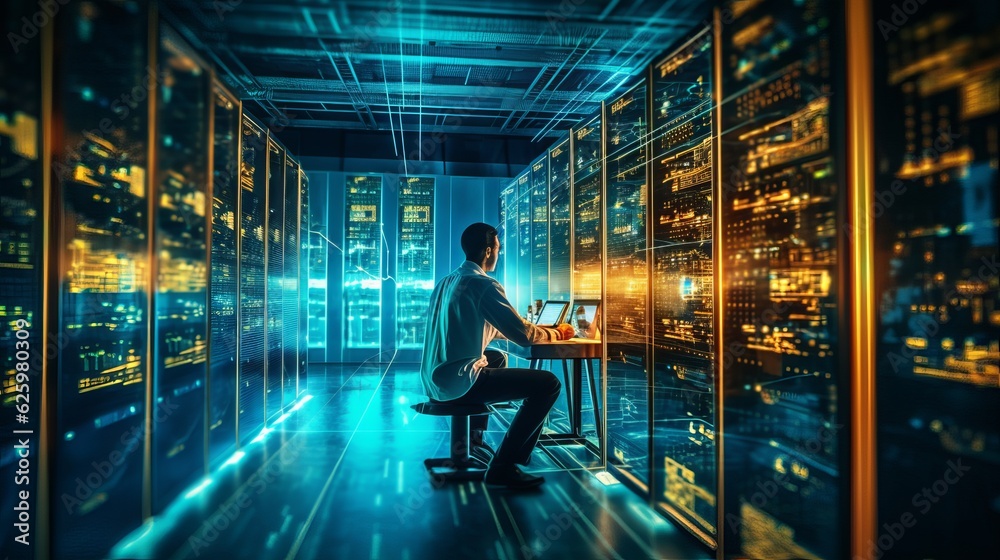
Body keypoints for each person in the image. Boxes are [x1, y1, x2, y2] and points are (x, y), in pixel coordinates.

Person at [420, 222, 576, 489]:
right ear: (489, 250)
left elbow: (491, 327)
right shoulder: (483, 284)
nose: (498, 255)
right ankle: (504, 466)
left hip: (434, 378)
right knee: (548, 384)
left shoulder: (447, 282)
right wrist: (558, 334)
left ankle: (475, 440)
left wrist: (541, 329)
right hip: (458, 383)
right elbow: (523, 336)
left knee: (495, 358)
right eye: (498, 250)